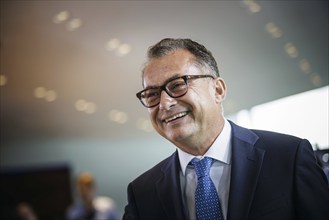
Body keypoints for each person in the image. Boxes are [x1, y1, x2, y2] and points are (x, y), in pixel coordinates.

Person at [123, 38, 329, 220]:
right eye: (152, 95)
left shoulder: (288, 156)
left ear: (218, 90)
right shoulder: (142, 192)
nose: (164, 103)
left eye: (177, 85)